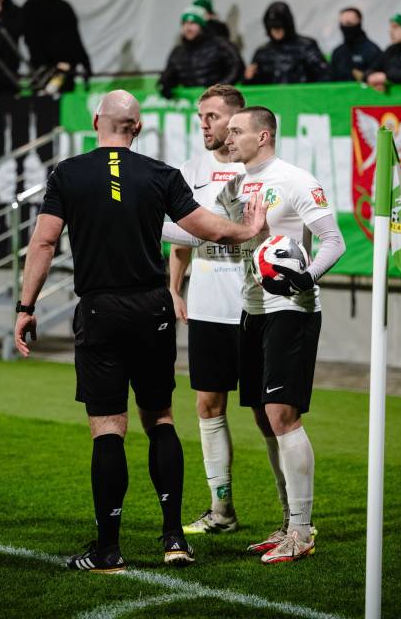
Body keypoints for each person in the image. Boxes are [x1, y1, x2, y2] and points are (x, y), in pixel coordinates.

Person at [14, 90, 268, 574]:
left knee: (108, 426)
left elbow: (43, 242)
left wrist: (26, 306)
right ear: (138, 127)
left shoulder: (68, 173)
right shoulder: (160, 174)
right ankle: (174, 538)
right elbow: (207, 228)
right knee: (161, 419)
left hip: (100, 311)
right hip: (152, 309)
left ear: (96, 122)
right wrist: (248, 228)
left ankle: (108, 549)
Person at [168, 106, 345, 563]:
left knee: (282, 414)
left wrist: (306, 276)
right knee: (266, 418)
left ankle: (301, 531)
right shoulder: (235, 185)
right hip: (252, 308)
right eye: (226, 131)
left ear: (263, 136)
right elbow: (195, 232)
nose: (227, 138)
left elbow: (334, 240)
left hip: (291, 307)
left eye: (236, 131)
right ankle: (287, 522)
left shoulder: (295, 180)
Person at [162, 84, 246, 534]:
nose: (204, 125)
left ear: (237, 118)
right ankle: (222, 510)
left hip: (256, 306)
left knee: (270, 414)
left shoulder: (260, 168)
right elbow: (179, 238)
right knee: (208, 406)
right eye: (200, 117)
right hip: (208, 308)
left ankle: (293, 519)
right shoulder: (189, 171)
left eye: (212, 116)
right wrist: (174, 288)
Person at [23, 0, 92, 92]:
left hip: (67, 71)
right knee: (45, 102)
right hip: (44, 74)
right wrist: (50, 67)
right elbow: (32, 41)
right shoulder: (31, 7)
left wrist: (85, 62)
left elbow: (75, 37)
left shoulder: (65, 7)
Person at [158, 5, 244, 99]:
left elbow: (237, 66)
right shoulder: (178, 52)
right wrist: (165, 83)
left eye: (193, 23)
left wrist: (217, 90)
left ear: (201, 26)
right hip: (191, 102)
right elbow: (169, 74)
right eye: (184, 24)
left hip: (220, 100)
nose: (188, 28)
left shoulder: (220, 44)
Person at [244, 2, 330, 85]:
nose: (276, 31)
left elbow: (324, 75)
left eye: (279, 26)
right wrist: (249, 79)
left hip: (301, 94)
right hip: (272, 95)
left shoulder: (306, 46)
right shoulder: (262, 53)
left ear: (287, 25)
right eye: (272, 27)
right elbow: (254, 86)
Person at [330, 7, 381, 81]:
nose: (345, 27)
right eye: (342, 24)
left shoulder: (372, 51)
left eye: (349, 23)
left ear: (359, 21)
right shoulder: (338, 52)